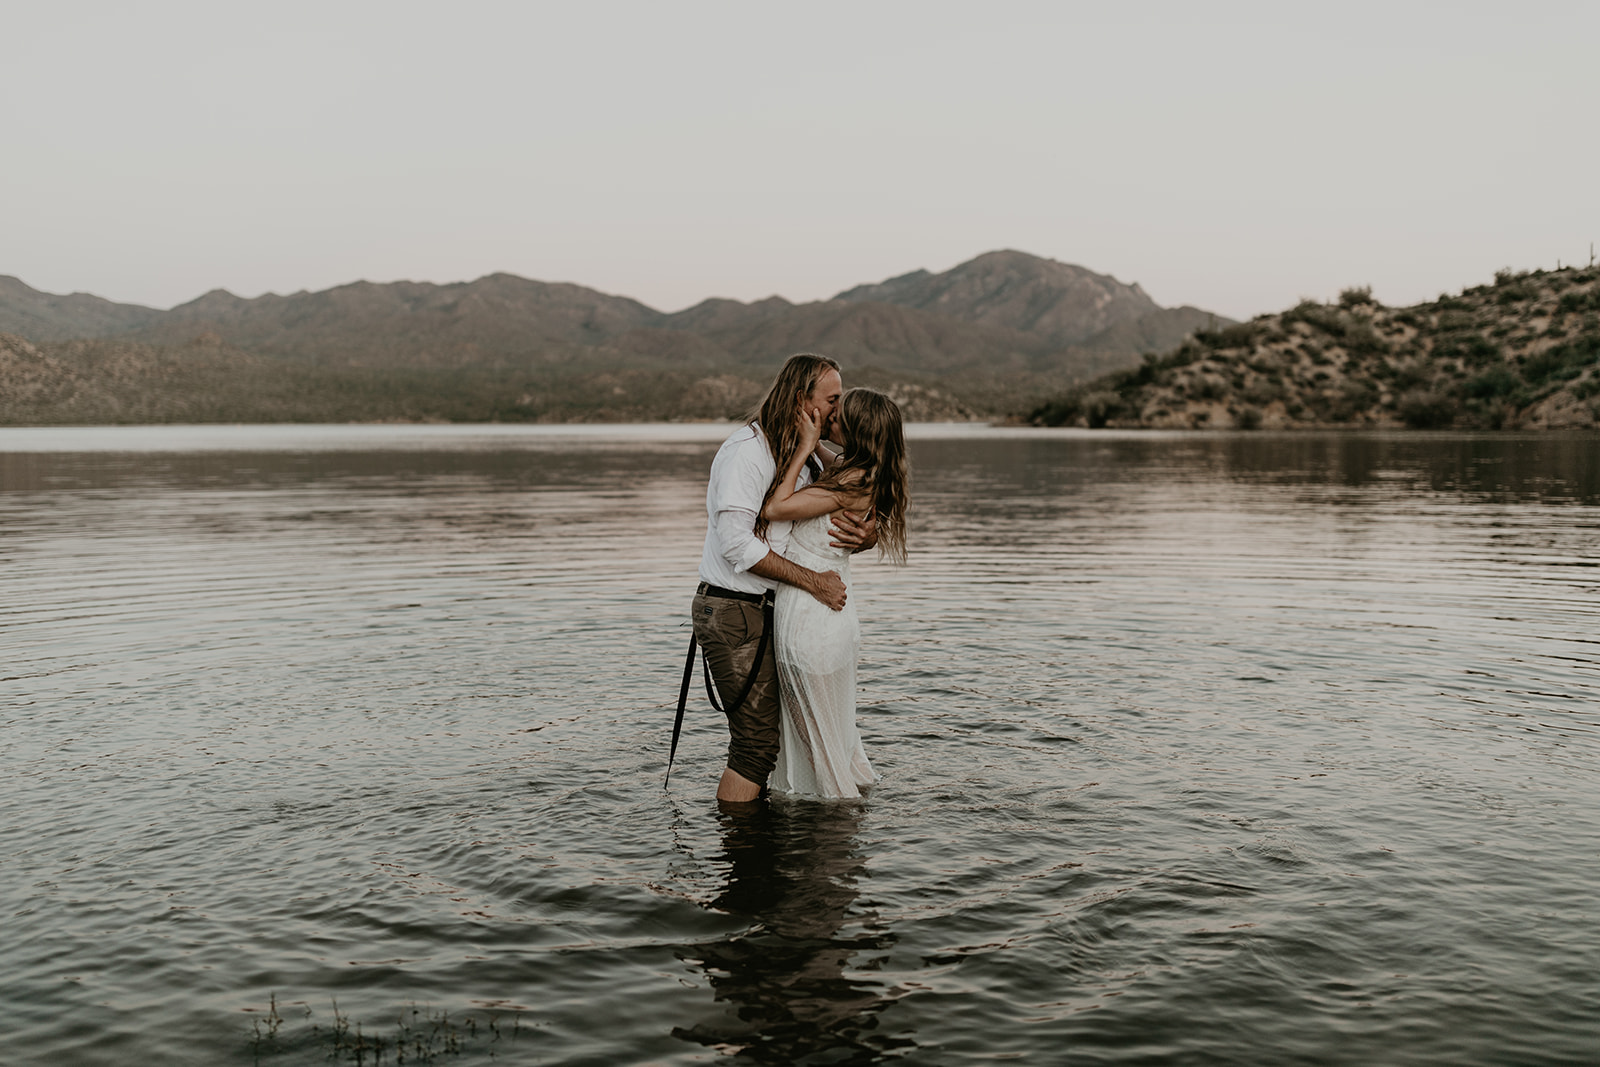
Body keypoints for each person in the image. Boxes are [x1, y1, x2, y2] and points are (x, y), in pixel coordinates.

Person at [692, 354, 878, 804]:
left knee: (790, 738)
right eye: (833, 399)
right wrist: (815, 582)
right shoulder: (747, 453)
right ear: (802, 400)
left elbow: (850, 501)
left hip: (776, 614)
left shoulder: (810, 455)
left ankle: (780, 847)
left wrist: (867, 535)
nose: (840, 409)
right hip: (736, 612)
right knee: (755, 748)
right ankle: (739, 854)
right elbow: (738, 545)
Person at [760, 388, 909, 799]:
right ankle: (842, 811)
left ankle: (837, 824)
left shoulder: (850, 481)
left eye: (838, 418)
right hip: (831, 616)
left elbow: (775, 508)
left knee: (818, 740)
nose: (829, 420)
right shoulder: (859, 470)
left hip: (812, 619)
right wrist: (817, 446)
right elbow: (832, 463)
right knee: (831, 733)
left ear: (858, 433)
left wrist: (804, 447)